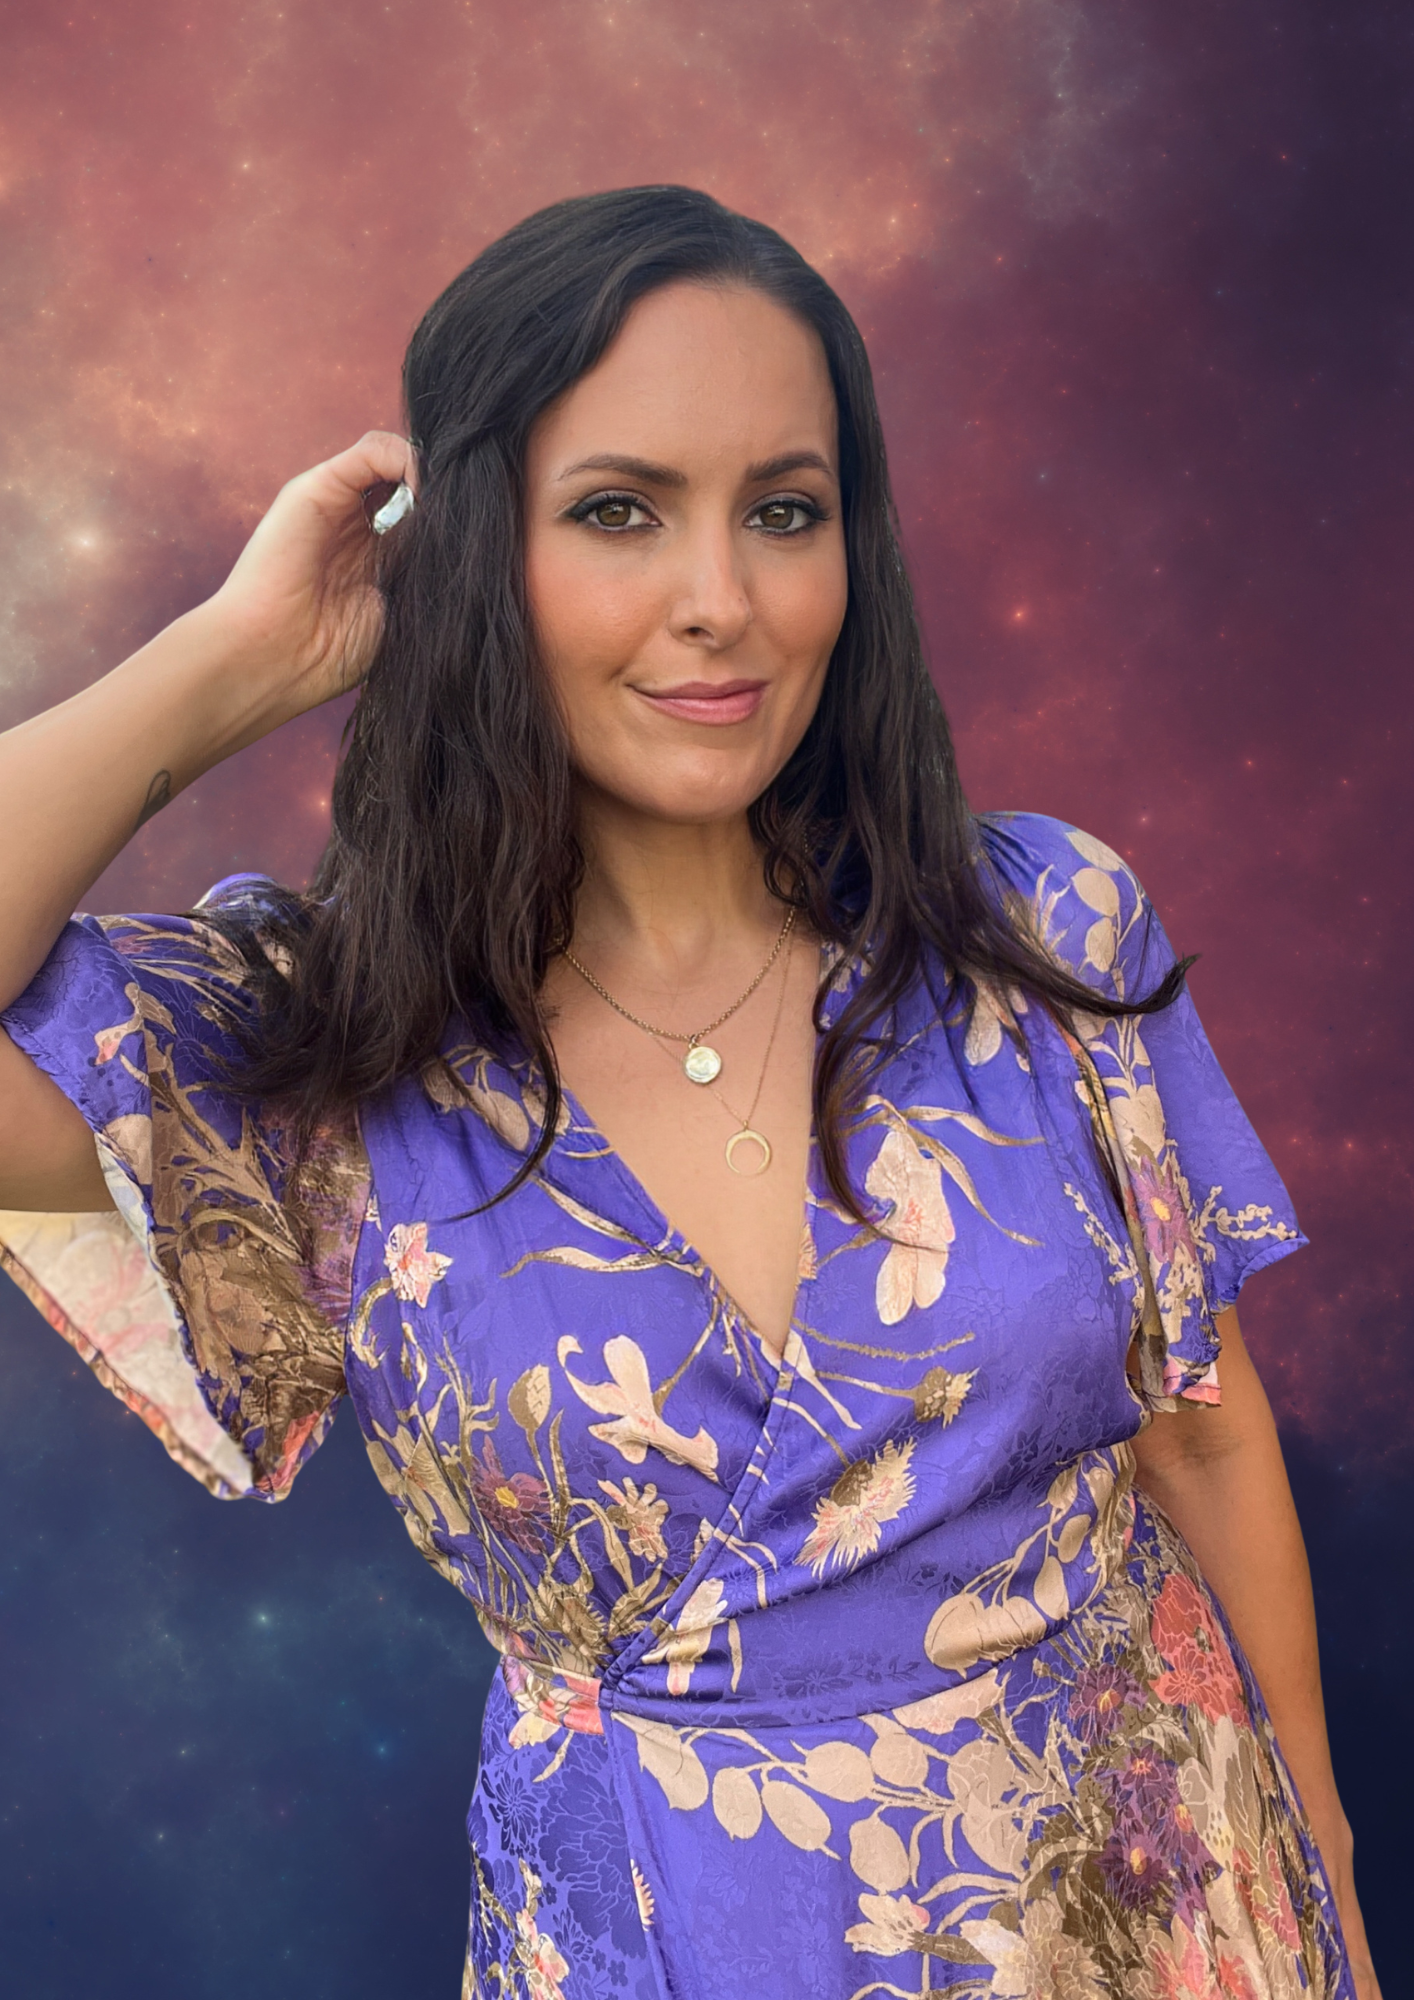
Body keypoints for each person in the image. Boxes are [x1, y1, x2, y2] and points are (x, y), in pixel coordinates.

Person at [0, 186, 1378, 2000]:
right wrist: (238, 660)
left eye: (784, 514)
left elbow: (1194, 1419)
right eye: (618, 512)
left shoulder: (1036, 925)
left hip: (1167, 1895)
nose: (721, 601)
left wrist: (1322, 1859)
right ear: (476, 548)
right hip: (676, 1943)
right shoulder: (310, 1057)